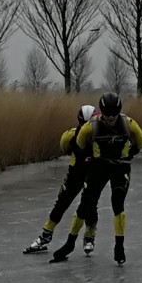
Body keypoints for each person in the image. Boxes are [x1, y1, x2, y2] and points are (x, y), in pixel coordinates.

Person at [53, 92, 142, 264]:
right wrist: (86, 156)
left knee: (117, 203)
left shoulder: (128, 124)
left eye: (114, 114)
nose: (111, 118)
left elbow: (141, 142)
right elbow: (80, 144)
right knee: (85, 205)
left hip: (120, 167)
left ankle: (119, 246)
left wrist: (131, 154)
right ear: (102, 112)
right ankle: (70, 243)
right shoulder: (91, 126)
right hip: (100, 167)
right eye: (107, 114)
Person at [24, 104, 97, 254]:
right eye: (85, 124)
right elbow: (64, 147)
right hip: (75, 174)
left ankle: (89, 236)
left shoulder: (100, 137)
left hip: (92, 175)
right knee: (62, 203)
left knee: (90, 205)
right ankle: (46, 235)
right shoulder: (70, 135)